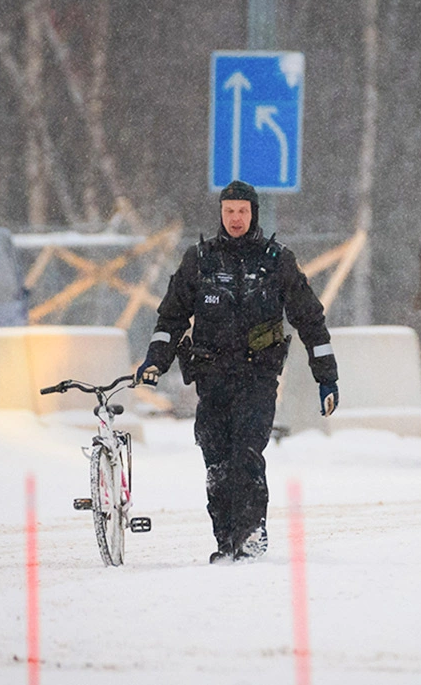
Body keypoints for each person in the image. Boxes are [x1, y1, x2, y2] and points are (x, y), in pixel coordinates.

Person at [136, 180, 339, 564]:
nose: (235, 218)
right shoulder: (199, 261)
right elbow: (171, 319)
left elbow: (310, 320)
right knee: (217, 462)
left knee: (246, 454)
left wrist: (326, 376)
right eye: (229, 211)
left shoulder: (277, 261)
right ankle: (226, 541)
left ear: (253, 213)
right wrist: (155, 361)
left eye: (242, 211)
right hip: (211, 378)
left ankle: (250, 536)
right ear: (220, 213)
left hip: (257, 377)